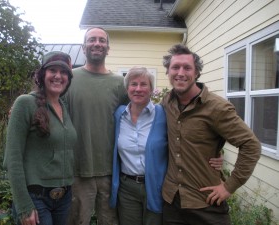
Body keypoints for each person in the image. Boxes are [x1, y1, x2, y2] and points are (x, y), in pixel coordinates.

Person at [161, 44, 261, 225]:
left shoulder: (217, 108)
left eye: (187, 67)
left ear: (197, 72)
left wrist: (229, 187)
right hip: (172, 203)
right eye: (175, 67)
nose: (180, 72)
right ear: (168, 72)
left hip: (206, 204)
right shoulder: (166, 103)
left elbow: (251, 145)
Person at [3, 51, 77, 225]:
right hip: (36, 197)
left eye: (64, 72)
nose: (58, 76)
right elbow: (13, 158)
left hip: (64, 197)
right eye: (53, 70)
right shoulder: (25, 104)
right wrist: (24, 205)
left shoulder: (64, 106)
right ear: (43, 74)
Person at [65, 27, 129, 225]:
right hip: (78, 170)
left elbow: (140, 119)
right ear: (84, 47)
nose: (97, 43)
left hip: (112, 172)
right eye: (92, 39)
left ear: (108, 48)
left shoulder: (120, 84)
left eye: (102, 40)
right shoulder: (69, 79)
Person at [110, 67, 168, 225]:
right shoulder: (119, 115)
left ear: (151, 89)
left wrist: (215, 152)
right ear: (127, 88)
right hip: (127, 188)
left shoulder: (163, 114)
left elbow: (182, 138)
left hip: (155, 187)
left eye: (144, 84)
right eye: (133, 84)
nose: (138, 89)